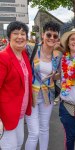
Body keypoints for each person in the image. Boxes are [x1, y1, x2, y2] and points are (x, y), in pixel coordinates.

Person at [25, 21, 62, 150]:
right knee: (34, 132)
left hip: (48, 96)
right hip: (31, 95)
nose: (52, 38)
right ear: (43, 35)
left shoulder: (58, 55)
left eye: (55, 36)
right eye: (49, 34)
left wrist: (55, 75)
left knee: (44, 128)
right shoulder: (31, 48)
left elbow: (59, 75)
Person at [0, 21, 32, 149]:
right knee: (10, 147)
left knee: (19, 143)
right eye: (16, 33)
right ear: (9, 37)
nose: (20, 37)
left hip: (19, 113)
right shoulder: (3, 57)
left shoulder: (24, 55)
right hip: (6, 115)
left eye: (23, 34)